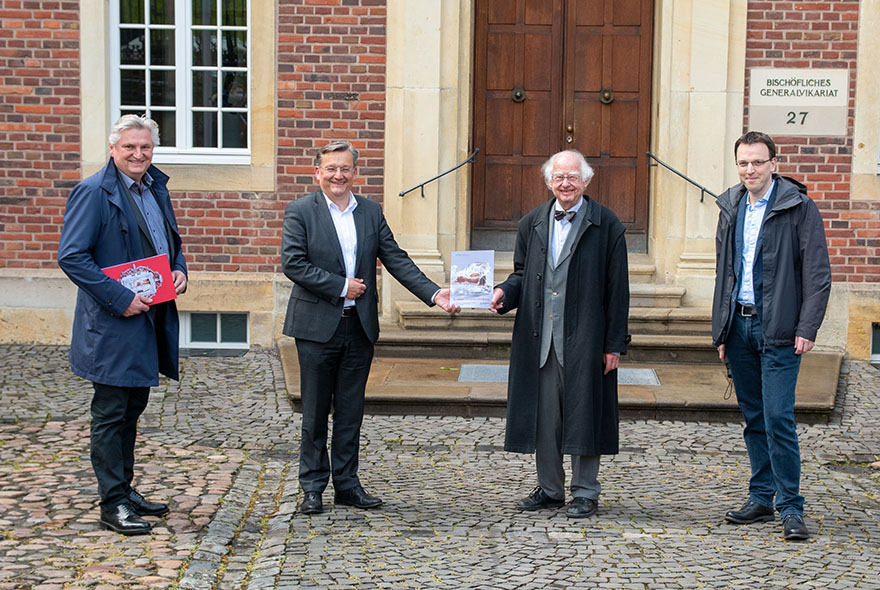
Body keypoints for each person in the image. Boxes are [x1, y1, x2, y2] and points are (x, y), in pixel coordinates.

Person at [282, 141, 460, 515]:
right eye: (331, 168)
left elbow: (396, 258)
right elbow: (293, 263)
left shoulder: (370, 212)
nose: (338, 175)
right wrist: (340, 285)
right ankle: (312, 487)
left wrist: (434, 294)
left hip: (358, 327)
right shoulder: (301, 211)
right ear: (318, 173)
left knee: (350, 411)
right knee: (314, 412)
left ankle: (347, 485)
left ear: (354, 173)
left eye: (345, 168)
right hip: (316, 328)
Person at [57, 114, 188, 535]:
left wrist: (179, 269)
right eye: (129, 147)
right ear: (113, 149)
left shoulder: (155, 186)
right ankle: (112, 503)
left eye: (145, 147)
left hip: (150, 316)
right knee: (111, 413)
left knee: (133, 408)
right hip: (113, 322)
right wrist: (120, 297)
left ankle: (124, 489)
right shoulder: (93, 192)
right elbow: (72, 256)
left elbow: (169, 241)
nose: (138, 154)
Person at [490, 149, 629, 518]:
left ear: (586, 181)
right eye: (558, 177)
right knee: (544, 416)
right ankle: (550, 488)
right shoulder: (531, 222)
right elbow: (521, 274)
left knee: (586, 412)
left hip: (586, 338)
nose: (565, 184)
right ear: (549, 181)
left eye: (572, 177)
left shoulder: (607, 224)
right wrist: (504, 293)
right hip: (539, 337)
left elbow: (619, 290)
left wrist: (614, 343)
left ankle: (585, 491)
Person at [712, 131, 831, 541]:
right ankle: (762, 495)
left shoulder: (798, 207)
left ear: (774, 164)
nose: (751, 170)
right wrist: (722, 328)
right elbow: (724, 273)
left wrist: (807, 327)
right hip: (740, 326)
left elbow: (817, 275)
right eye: (744, 163)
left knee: (779, 416)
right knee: (754, 418)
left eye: (758, 162)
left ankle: (791, 507)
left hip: (778, 328)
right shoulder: (730, 208)